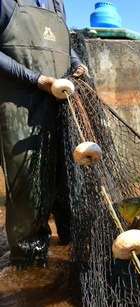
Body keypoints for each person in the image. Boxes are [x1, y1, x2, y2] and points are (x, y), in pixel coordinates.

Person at [0, 0, 87, 269]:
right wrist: (36, 79)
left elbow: (65, 46)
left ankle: (72, 250)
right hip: (20, 105)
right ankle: (29, 265)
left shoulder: (57, 3)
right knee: (29, 191)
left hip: (60, 104)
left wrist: (78, 63)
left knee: (68, 181)